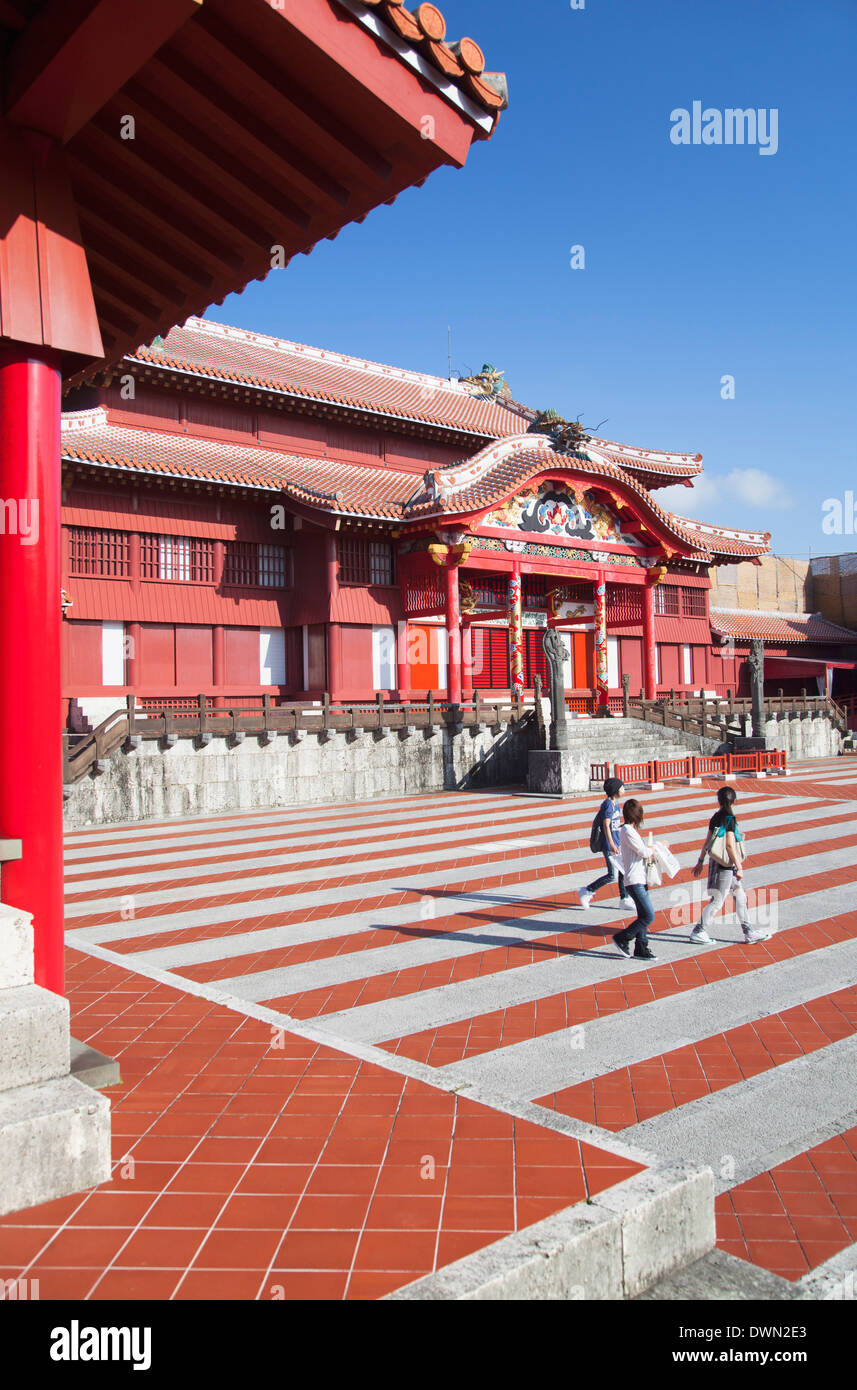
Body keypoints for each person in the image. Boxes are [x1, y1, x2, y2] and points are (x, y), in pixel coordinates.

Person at [689, 786, 769, 945]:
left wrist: (700, 861)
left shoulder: (715, 817)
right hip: (725, 867)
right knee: (718, 900)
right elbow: (729, 845)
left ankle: (749, 932)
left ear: (719, 801)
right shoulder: (730, 819)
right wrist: (739, 866)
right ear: (734, 801)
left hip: (719, 864)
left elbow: (707, 841)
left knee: (740, 897)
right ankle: (698, 931)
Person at [577, 777, 634, 910]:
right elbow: (606, 826)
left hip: (616, 842)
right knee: (611, 875)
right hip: (609, 845)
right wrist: (612, 845)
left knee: (622, 871)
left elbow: (614, 825)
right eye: (622, 787)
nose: (624, 789)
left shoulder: (616, 803)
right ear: (615, 790)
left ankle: (624, 899)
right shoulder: (608, 804)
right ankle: (587, 891)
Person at [611, 799, 657, 960]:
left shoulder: (630, 830)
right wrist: (656, 847)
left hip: (640, 878)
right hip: (634, 879)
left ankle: (641, 946)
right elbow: (643, 852)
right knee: (649, 915)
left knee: (642, 913)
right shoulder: (627, 831)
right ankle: (623, 937)